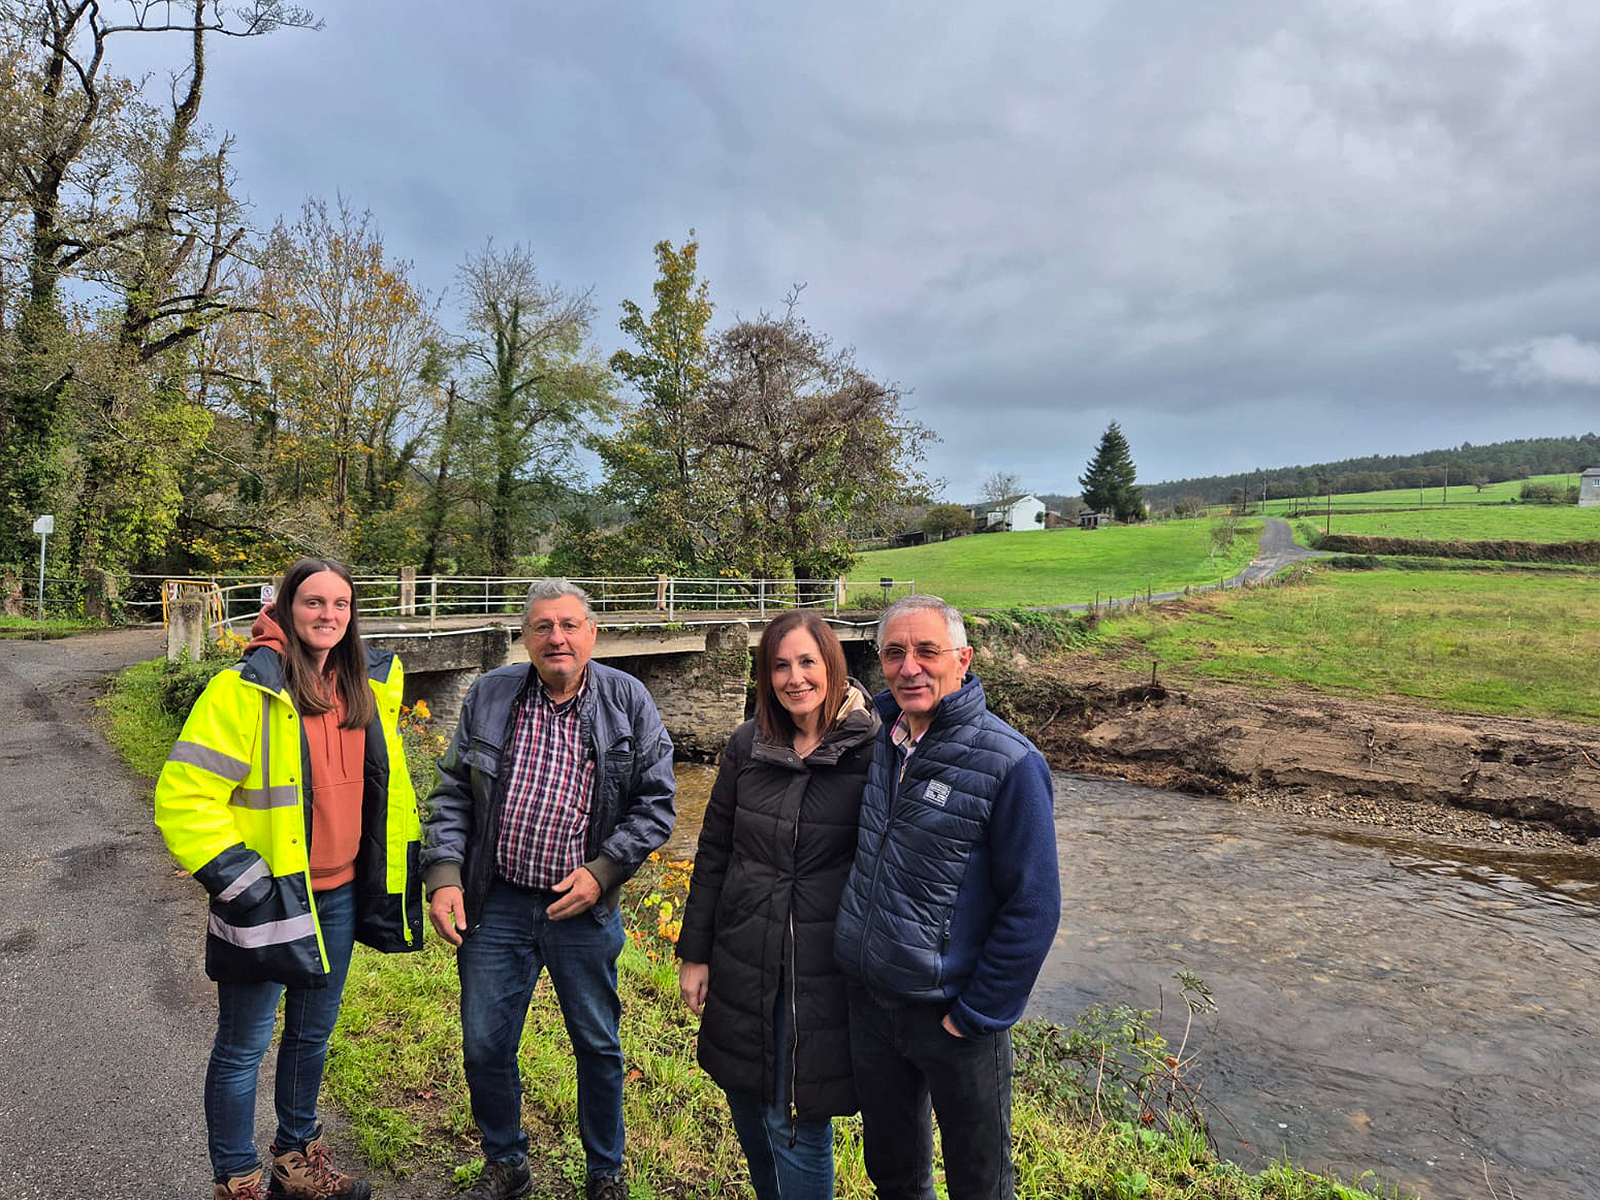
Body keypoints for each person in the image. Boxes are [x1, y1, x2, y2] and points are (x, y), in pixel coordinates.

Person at [155, 558, 424, 1200]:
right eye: (312, 602)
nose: (327, 614)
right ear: (284, 608)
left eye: (340, 603)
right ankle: (237, 1176)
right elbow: (184, 796)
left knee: (310, 1037)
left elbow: (388, 793)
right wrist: (243, 885)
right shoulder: (245, 689)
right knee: (244, 1044)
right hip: (265, 897)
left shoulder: (370, 686)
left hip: (337, 895)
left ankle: (295, 1157)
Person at [421, 580, 675, 1200]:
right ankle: (506, 1162)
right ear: (525, 636)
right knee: (485, 1042)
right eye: (542, 627)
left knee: (596, 1043)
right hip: (498, 900)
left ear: (591, 632)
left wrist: (603, 871)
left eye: (568, 625)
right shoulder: (490, 693)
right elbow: (452, 792)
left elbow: (656, 803)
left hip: (581, 907)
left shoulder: (627, 700)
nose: (556, 638)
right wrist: (444, 875)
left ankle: (605, 1173)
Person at [833, 594, 1061, 1200]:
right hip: (875, 1004)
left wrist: (977, 1014)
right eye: (894, 653)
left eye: (927, 651)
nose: (910, 666)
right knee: (894, 1171)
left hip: (954, 1016)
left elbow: (1034, 906)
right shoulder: (879, 735)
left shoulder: (1012, 763)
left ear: (963, 659)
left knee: (979, 1179)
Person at [676, 610, 881, 1200]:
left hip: (820, 968)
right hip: (744, 952)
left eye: (807, 663)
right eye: (780, 666)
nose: (794, 678)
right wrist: (696, 953)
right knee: (745, 1099)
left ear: (833, 667)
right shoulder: (748, 744)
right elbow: (714, 851)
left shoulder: (871, 751)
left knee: (795, 1118)